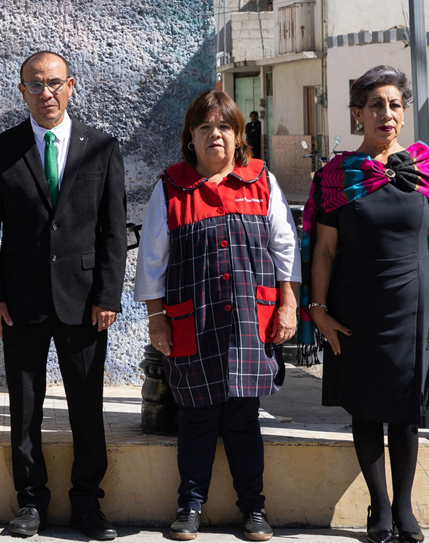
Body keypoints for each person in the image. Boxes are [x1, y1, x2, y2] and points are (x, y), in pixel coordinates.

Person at [302, 66, 429, 543]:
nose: (387, 113)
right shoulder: (337, 176)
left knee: (405, 411)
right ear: (358, 114)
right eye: (376, 105)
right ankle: (378, 509)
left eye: (395, 104)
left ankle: (404, 509)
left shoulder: (422, 168)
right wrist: (317, 309)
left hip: (414, 310)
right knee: (365, 410)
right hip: (356, 308)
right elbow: (324, 250)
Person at [134, 90, 299, 542]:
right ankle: (190, 506)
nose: (215, 136)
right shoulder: (171, 186)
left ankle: (254, 509)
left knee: (244, 418)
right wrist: (156, 318)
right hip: (194, 321)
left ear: (238, 134)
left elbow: (285, 247)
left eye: (224, 127)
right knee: (197, 417)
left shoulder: (260, 180)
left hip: (250, 320)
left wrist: (288, 303)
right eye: (205, 128)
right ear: (191, 136)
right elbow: (152, 259)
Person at [0, 51, 127, 540]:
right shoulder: (1, 151)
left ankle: (87, 504)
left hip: (85, 304)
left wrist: (108, 295)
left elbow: (112, 232)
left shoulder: (102, 149)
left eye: (55, 83)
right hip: (20, 303)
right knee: (25, 407)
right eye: (36, 85)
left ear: (71, 85)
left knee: (87, 406)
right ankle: (29, 502)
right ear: (23, 92)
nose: (47, 93)